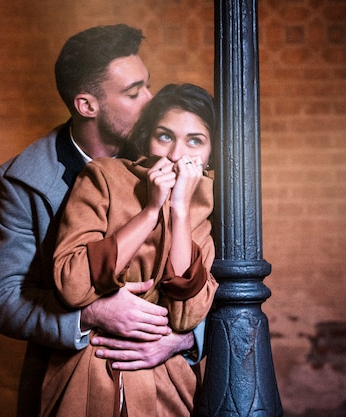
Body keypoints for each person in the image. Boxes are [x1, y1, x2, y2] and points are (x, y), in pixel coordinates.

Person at [0, 25, 204, 417]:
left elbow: (225, 280)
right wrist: (90, 314)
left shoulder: (170, 155)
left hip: (163, 385)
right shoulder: (25, 180)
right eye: (134, 92)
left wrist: (181, 339)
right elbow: (4, 300)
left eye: (148, 85)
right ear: (87, 105)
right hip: (69, 384)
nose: (152, 100)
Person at [42, 83, 218, 417]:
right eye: (165, 136)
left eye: (195, 141)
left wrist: (179, 209)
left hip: (165, 386)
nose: (177, 155)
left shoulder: (205, 205)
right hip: (87, 370)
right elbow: (72, 285)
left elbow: (185, 316)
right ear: (147, 136)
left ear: (210, 152)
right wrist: (151, 210)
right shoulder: (103, 177)